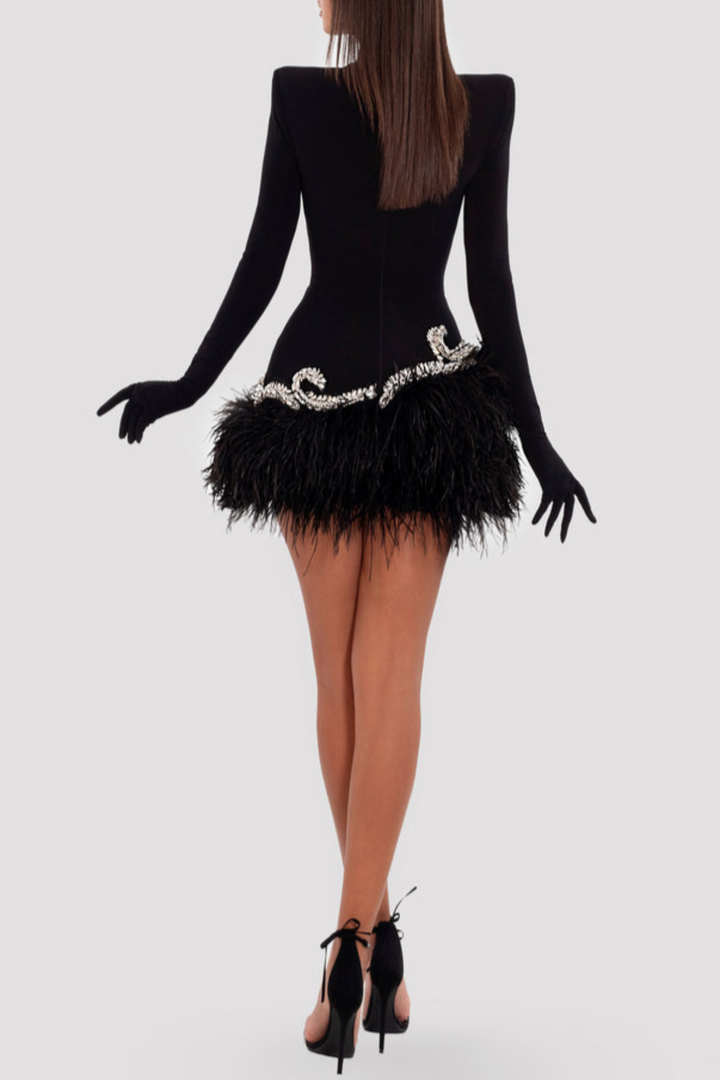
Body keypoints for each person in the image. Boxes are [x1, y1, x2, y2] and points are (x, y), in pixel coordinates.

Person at [97, 0, 597, 1072]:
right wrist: (538, 439)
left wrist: (191, 384)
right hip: (432, 399)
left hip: (310, 400)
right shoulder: (482, 106)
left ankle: (350, 955)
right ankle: (371, 945)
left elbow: (264, 262)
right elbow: (490, 288)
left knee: (338, 680)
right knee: (392, 679)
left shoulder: (301, 96)